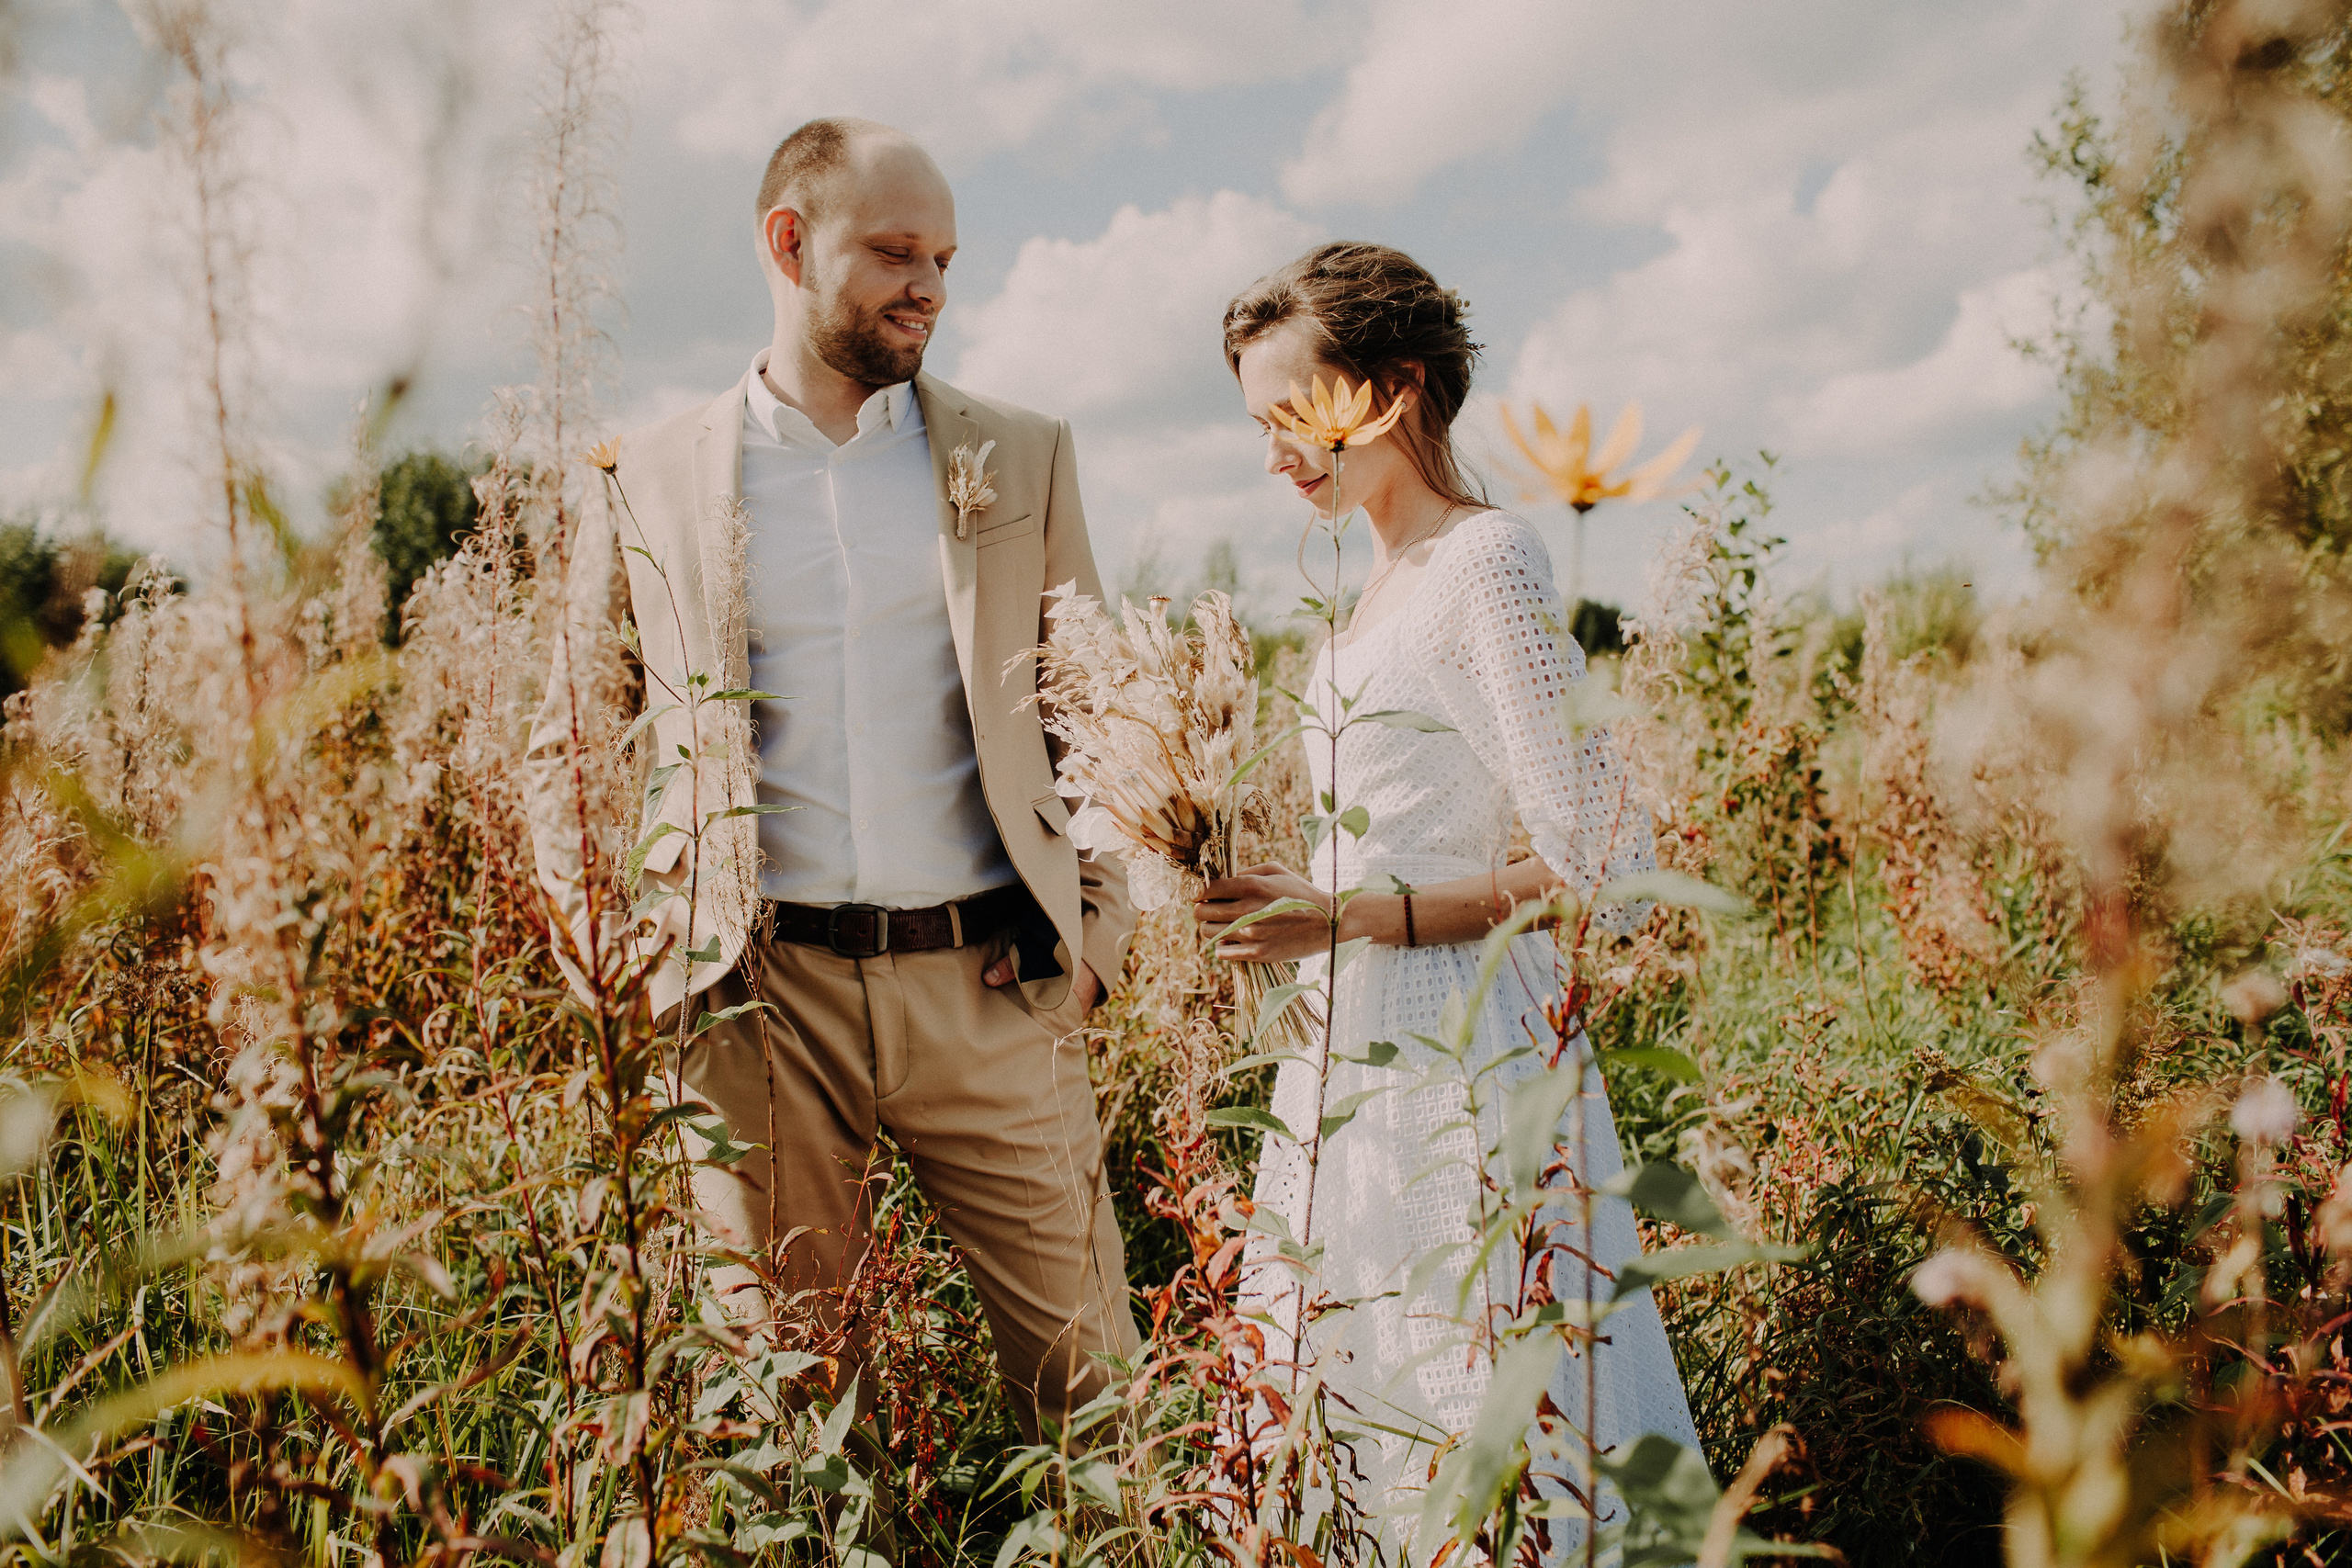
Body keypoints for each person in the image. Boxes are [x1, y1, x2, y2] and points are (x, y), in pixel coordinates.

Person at [523, 117, 1140, 1438]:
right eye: (895, 251)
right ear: (788, 243)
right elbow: (568, 738)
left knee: (1098, 1402)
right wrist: (615, 951)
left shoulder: (1021, 455)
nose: (929, 284)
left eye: (946, 258)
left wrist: (1096, 937)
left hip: (997, 993)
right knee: (794, 1422)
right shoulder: (649, 479)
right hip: (756, 1005)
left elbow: (1101, 711)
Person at [1193, 242, 1702, 1548]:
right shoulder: (1373, 584)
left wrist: (1359, 915)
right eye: (1260, 428)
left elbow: (1604, 865)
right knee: (1363, 1409)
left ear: (1398, 386)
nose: (1276, 459)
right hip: (1349, 1064)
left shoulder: (1487, 563)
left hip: (1467, 1059)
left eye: (1292, 417)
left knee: (1486, 1410)